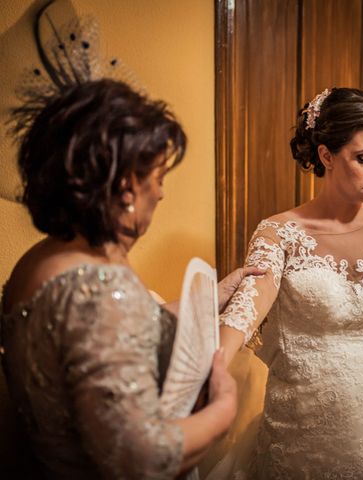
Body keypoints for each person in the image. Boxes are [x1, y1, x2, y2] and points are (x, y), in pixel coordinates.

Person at [0, 79, 251, 479]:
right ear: (127, 184)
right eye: (159, 176)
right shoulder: (102, 289)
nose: (162, 194)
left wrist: (212, 298)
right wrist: (224, 407)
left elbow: (109, 336)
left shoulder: (39, 263)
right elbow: (144, 458)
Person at [213, 87, 363, 478]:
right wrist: (213, 365)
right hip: (299, 439)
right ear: (326, 155)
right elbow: (248, 303)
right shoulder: (279, 232)